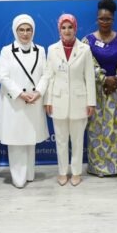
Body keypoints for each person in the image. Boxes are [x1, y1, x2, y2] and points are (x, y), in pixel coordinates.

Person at [81, 0, 117, 177]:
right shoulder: (87, 41)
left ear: (113, 19)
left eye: (108, 19)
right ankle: (96, 167)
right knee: (96, 129)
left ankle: (114, 166)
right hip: (96, 93)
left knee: (115, 129)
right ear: (97, 19)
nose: (104, 22)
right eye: (101, 18)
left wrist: (115, 80)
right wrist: (104, 79)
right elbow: (86, 64)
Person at [0, 14, 49, 188]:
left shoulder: (41, 50)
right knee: (16, 140)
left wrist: (39, 92)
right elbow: (3, 76)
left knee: (30, 140)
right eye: (21, 30)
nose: (25, 33)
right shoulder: (6, 51)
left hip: (34, 101)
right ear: (15, 31)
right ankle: (18, 178)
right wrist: (20, 94)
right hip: (15, 103)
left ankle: (29, 174)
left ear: (33, 31)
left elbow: (46, 74)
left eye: (28, 30)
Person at [44, 13, 96, 186]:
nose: (67, 31)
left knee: (77, 140)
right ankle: (62, 172)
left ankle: (76, 172)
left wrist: (91, 102)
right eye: (63, 27)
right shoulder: (52, 49)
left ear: (75, 28)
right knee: (60, 140)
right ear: (59, 30)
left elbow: (89, 77)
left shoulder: (85, 49)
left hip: (79, 101)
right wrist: (48, 100)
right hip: (58, 101)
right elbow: (49, 76)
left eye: (70, 27)